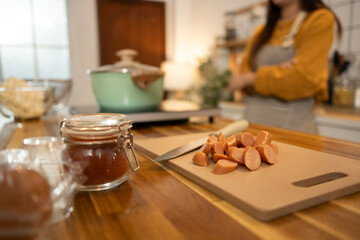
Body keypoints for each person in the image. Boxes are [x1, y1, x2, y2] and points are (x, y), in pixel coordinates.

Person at [228, 0, 342, 134]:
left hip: (292, 134)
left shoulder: (320, 19)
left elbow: (304, 80)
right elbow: (235, 82)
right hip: (249, 132)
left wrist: (249, 79)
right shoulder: (261, 32)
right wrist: (280, 71)